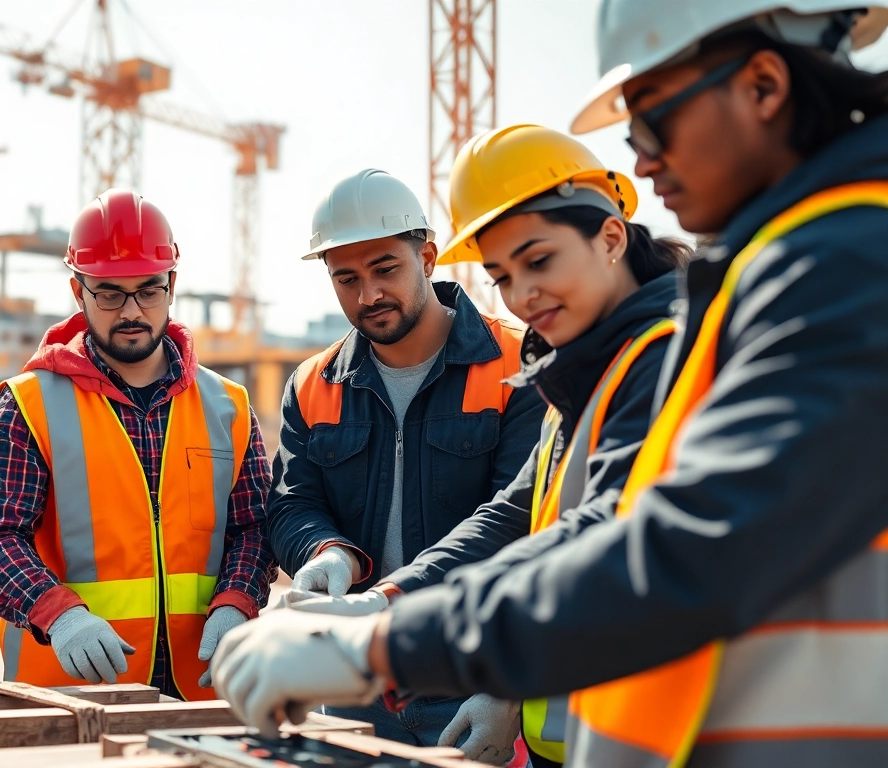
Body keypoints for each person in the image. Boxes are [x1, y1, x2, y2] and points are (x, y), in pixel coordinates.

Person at [213, 4, 888, 766]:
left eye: (651, 125)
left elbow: (685, 548)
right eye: (502, 274)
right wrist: (384, 604)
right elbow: (540, 522)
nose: (642, 162)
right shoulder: (761, 282)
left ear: (763, 85)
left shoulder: (848, 264)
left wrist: (382, 645)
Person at [287, 125, 689, 765]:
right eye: (501, 274)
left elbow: (598, 535)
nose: (523, 294)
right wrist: (379, 601)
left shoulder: (666, 358)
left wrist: (400, 641)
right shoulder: (581, 372)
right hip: (583, 722)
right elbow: (509, 518)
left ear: (611, 236)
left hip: (651, 719)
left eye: (539, 260)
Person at [0, 189, 276, 701]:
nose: (131, 311)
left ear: (171, 285)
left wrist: (236, 601)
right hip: (68, 696)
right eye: (110, 293)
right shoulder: (30, 404)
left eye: (148, 290)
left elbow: (254, 527)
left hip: (203, 692)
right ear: (78, 291)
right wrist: (58, 616)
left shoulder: (229, 406)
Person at [267, 168, 543, 744]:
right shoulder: (312, 384)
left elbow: (519, 524)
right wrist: (329, 554)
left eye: (385, 269)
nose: (368, 295)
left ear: (429, 257)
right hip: (355, 682)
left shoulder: (519, 366)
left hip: (471, 673)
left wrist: (508, 680)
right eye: (346, 279)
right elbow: (294, 504)